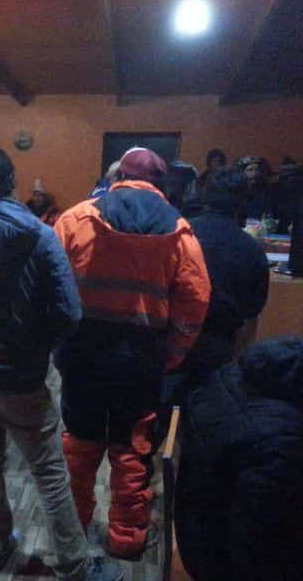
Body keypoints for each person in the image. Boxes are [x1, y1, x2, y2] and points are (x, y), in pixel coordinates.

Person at [0, 143, 122, 580]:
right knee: (49, 472)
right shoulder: (39, 233)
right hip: (21, 376)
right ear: (10, 181)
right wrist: (36, 348)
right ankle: (76, 566)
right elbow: (69, 313)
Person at [54, 146, 210, 560]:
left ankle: (73, 533)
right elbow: (195, 301)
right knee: (132, 448)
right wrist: (172, 355)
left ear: (118, 174)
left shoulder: (75, 218)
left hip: (82, 355)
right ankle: (126, 539)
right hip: (141, 359)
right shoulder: (179, 230)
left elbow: (48, 287)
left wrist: (60, 342)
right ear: (160, 184)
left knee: (80, 445)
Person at [175, 315, 303, 581]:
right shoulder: (290, 444)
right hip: (217, 559)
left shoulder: (239, 370)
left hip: (196, 523)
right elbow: (267, 549)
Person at [177, 168, 269, 382]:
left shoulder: (181, 234)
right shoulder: (250, 248)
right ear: (241, 203)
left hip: (175, 337)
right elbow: (252, 310)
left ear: (204, 197)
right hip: (222, 345)